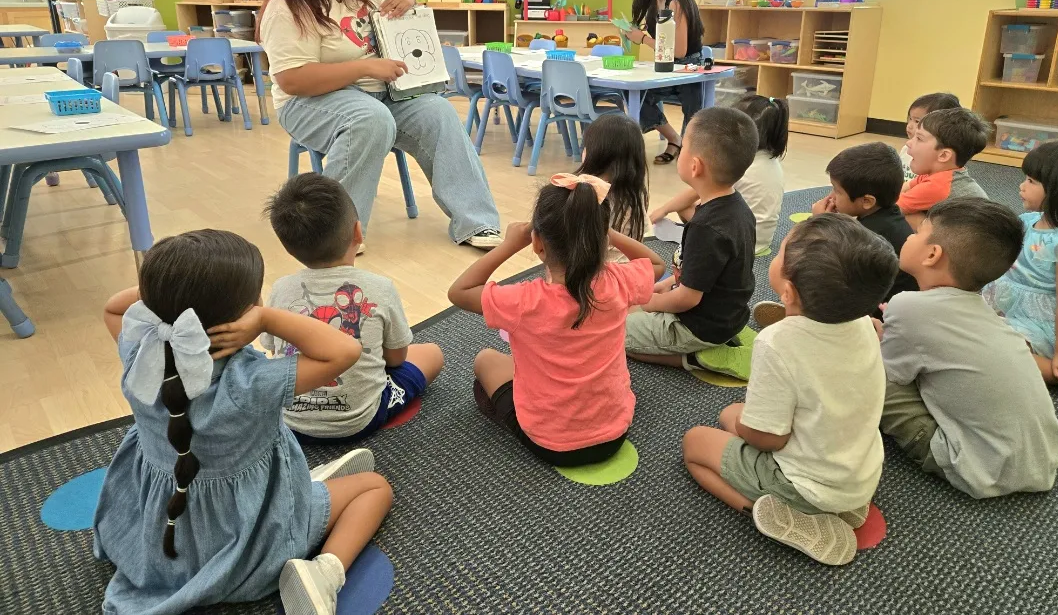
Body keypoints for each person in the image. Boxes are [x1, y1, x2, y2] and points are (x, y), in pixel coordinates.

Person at [92, 230, 393, 615]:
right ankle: (324, 572)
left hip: (157, 529)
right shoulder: (249, 383)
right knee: (375, 487)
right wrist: (267, 319)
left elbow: (114, 308)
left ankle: (305, 482)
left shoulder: (138, 350)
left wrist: (173, 291)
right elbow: (345, 350)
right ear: (245, 315)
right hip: (246, 536)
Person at [258, 0, 502, 250]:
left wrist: (407, 0)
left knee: (439, 112)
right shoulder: (287, 7)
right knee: (369, 120)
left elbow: (396, 24)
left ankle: (477, 222)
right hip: (310, 102)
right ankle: (338, 236)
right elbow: (292, 81)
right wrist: (365, 67)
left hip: (382, 94)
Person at [682, 214, 897, 566]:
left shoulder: (776, 343)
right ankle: (842, 506)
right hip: (859, 471)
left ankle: (780, 513)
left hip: (803, 482)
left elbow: (770, 439)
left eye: (780, 250)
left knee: (695, 443)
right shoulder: (863, 322)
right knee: (728, 414)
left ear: (789, 292)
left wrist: (744, 428)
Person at [447, 174, 665, 467]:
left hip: (551, 444)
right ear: (600, 239)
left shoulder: (524, 301)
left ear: (538, 245)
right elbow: (657, 265)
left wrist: (510, 244)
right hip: (615, 432)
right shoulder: (618, 281)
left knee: (485, 360)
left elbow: (459, 292)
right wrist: (605, 231)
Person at [879, 197, 1058, 498]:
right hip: (1043, 456)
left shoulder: (906, 305)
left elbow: (895, 376)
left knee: (871, 371)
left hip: (976, 466)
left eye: (917, 232)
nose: (909, 235)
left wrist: (880, 340)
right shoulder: (983, 308)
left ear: (932, 255)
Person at [263, 173, 445, 439]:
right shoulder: (380, 287)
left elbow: (272, 352)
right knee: (432, 353)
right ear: (358, 233)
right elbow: (396, 359)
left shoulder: (280, 289)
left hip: (290, 424)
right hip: (361, 419)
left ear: (288, 248)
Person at [624, 107, 757, 377]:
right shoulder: (737, 208)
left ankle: (695, 358)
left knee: (613, 333)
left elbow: (686, 299)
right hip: (730, 316)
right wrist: (661, 288)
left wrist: (647, 304)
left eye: (682, 146)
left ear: (695, 166)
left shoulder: (706, 228)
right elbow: (697, 275)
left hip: (699, 327)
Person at [983, 141, 1058, 390]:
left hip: (1040, 319)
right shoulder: (1029, 220)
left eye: (1031, 182)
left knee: (1000, 350)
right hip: (1009, 302)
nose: (1021, 186)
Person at [649, 94, 787, 257]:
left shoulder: (741, 164)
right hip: (761, 239)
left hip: (736, 244)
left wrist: (664, 210)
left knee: (686, 205)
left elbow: (693, 195)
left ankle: (691, 236)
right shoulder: (772, 162)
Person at [623, 0, 706, 164]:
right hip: (666, 67)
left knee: (693, 109)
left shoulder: (677, 2)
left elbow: (679, 51)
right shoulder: (654, 1)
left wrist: (642, 39)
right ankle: (675, 139)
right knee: (638, 96)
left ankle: (689, 152)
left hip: (688, 68)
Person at [812, 142, 919, 300]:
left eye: (837, 190)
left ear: (867, 201)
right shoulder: (887, 216)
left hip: (878, 311)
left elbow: (824, 262)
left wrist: (820, 223)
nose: (831, 197)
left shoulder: (867, 238)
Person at [574, 113, 649, 263]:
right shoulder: (635, 192)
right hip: (627, 271)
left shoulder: (581, 189)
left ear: (593, 154)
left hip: (588, 276)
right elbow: (642, 231)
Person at [897, 107, 989, 230]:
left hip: (967, 244)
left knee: (906, 215)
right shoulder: (944, 173)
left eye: (919, 138)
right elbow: (904, 188)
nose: (909, 143)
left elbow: (892, 207)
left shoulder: (938, 185)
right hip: (965, 235)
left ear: (944, 155)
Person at [901, 92, 960, 181]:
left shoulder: (936, 157)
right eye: (910, 119)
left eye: (917, 121)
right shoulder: (906, 148)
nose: (909, 125)